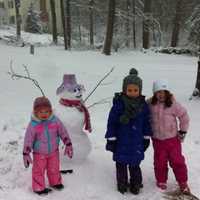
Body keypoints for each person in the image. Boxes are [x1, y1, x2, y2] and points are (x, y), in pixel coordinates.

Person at [105, 68, 152, 195]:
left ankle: (136, 182)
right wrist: (111, 138)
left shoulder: (143, 106)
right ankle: (122, 182)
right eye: (129, 90)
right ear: (124, 89)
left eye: (135, 90)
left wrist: (146, 137)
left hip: (136, 141)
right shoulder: (119, 104)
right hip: (121, 140)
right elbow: (112, 122)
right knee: (120, 163)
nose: (132, 92)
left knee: (134, 164)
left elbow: (147, 122)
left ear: (140, 90)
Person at [23, 96, 73, 195]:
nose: (44, 114)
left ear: (50, 111)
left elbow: (63, 132)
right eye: (41, 112)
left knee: (54, 168)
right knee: (38, 171)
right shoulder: (33, 125)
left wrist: (68, 143)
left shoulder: (55, 121)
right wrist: (26, 153)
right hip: (39, 153)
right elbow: (28, 139)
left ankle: (55, 182)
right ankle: (38, 187)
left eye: (46, 111)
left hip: (54, 152)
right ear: (36, 112)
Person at [148, 79, 190, 194]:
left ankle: (182, 181)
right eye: (158, 92)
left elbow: (184, 116)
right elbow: (143, 115)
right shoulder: (150, 104)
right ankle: (161, 180)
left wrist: (182, 131)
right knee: (159, 162)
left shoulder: (173, 104)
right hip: (157, 140)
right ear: (154, 93)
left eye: (164, 92)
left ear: (168, 93)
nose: (161, 95)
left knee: (177, 161)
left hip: (172, 140)